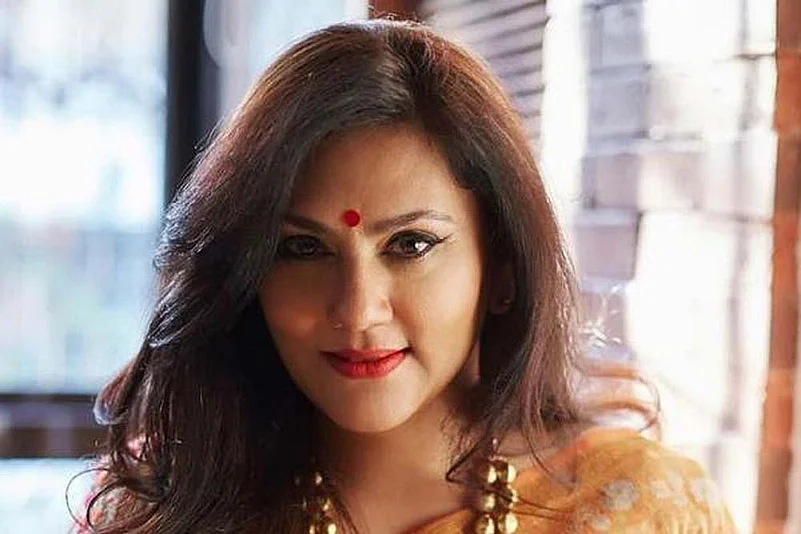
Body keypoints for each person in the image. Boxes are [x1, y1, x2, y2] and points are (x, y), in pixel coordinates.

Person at [74, 19, 735, 533]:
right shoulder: (159, 507)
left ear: (501, 268)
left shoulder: (638, 511)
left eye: (410, 244)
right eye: (302, 249)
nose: (358, 310)